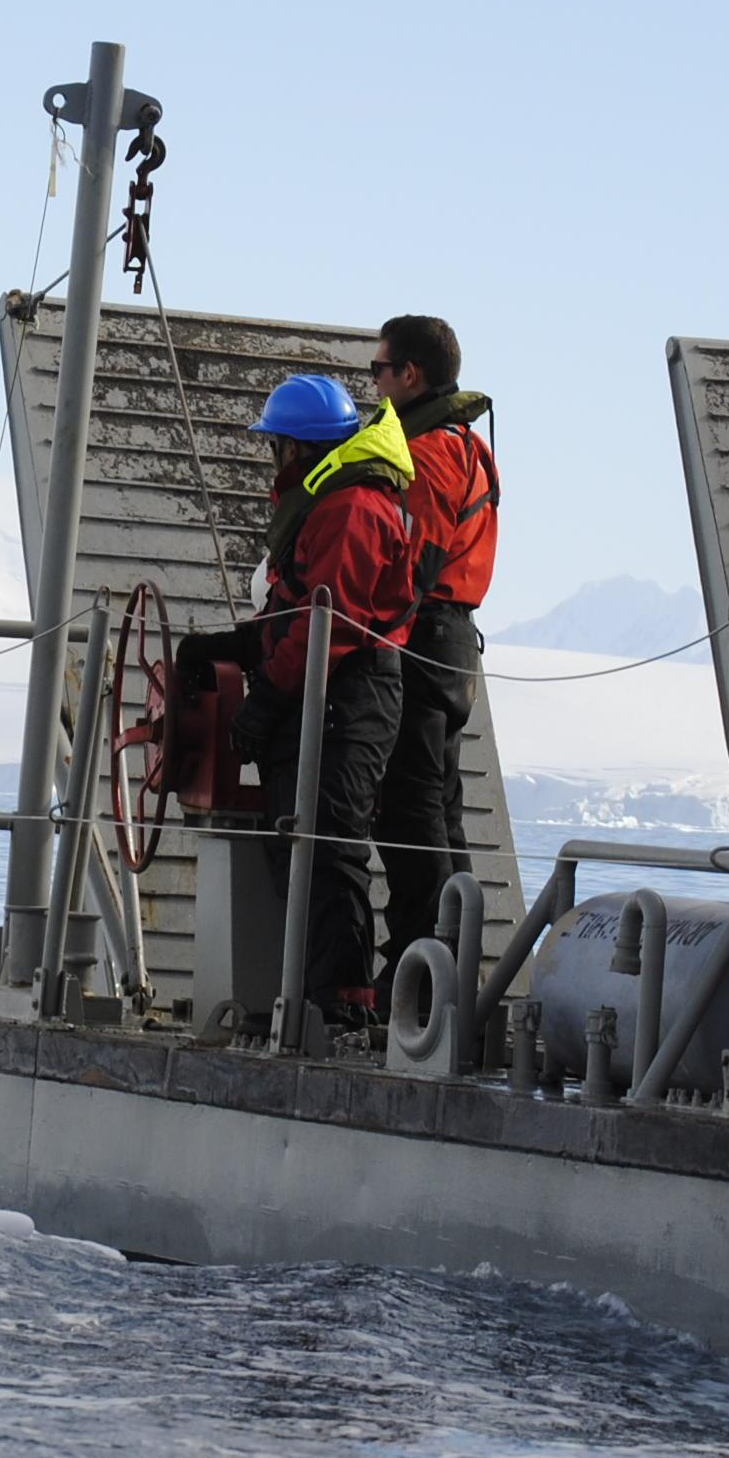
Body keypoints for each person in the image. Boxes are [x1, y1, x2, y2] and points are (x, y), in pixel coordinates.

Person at [228, 370, 413, 1031]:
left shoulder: (349, 509)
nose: (272, 456)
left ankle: (340, 1003)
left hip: (344, 699)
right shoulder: (331, 502)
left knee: (328, 848)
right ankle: (314, 995)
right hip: (322, 696)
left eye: (276, 443)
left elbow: (324, 622)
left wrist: (266, 699)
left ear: (297, 448)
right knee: (300, 845)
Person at [372, 313, 498, 973]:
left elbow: (411, 563)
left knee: (409, 807)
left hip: (423, 640)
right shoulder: (470, 448)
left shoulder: (426, 454)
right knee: (441, 810)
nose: (374, 383)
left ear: (410, 375)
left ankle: (419, 968)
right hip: (455, 644)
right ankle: (452, 965)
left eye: (379, 370)